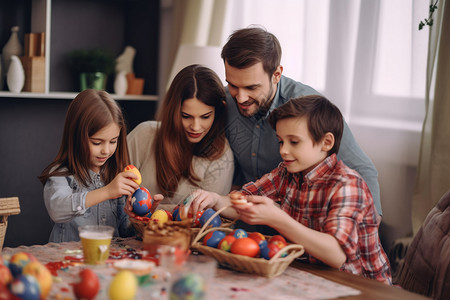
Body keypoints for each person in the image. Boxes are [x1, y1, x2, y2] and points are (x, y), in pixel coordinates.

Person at [190, 95, 392, 284]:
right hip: (313, 278)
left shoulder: (346, 184)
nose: (283, 150)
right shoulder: (287, 173)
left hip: (360, 285)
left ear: (326, 142)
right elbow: (245, 200)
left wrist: (277, 218)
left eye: (293, 142)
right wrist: (216, 199)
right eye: (281, 141)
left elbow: (336, 255)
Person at [221, 26, 382, 218]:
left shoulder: (308, 108)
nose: (240, 98)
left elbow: (362, 169)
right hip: (246, 218)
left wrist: (365, 232)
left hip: (302, 225)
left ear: (276, 75)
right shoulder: (223, 101)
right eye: (232, 85)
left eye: (251, 87)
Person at [38, 89, 145, 242]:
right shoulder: (60, 175)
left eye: (113, 141)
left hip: (105, 261)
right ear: (76, 137)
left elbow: (124, 232)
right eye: (97, 142)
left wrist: (138, 216)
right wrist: (107, 191)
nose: (106, 150)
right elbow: (57, 210)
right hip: (69, 261)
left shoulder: (115, 176)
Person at [126, 64, 234, 212]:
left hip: (188, 235)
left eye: (205, 117)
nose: (195, 127)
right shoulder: (145, 134)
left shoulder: (221, 155)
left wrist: (154, 211)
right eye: (186, 116)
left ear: (218, 112)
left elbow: (206, 216)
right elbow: (110, 187)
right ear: (174, 111)